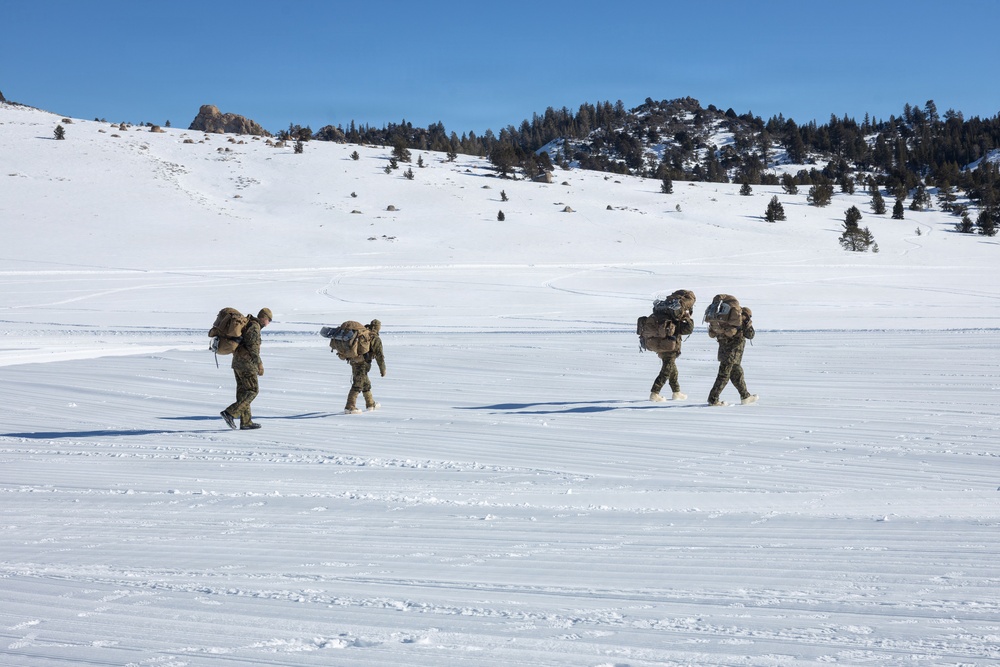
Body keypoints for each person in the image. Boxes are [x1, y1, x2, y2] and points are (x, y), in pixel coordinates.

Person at [221, 307, 272, 429]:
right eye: (269, 320)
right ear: (264, 318)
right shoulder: (254, 327)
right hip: (247, 364)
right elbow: (253, 349)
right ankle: (230, 412)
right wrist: (259, 364)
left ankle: (246, 422)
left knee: (243, 392)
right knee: (253, 391)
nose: (269, 323)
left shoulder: (249, 324)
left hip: (237, 363)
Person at [707, 305, 758, 406]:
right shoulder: (742, 322)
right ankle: (713, 399)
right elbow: (750, 335)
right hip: (732, 354)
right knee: (723, 376)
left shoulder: (726, 322)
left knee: (737, 374)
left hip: (725, 353)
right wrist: (748, 323)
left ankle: (745, 396)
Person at [649, 308, 695, 402]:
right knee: (666, 371)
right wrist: (689, 319)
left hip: (661, 347)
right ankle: (655, 393)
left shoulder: (662, 318)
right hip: (670, 349)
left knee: (673, 372)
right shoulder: (674, 321)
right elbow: (688, 330)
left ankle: (676, 392)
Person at [345, 319, 386, 414]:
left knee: (365, 383)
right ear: (378, 327)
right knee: (358, 384)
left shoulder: (361, 333)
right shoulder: (374, 337)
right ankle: (349, 406)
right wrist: (383, 369)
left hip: (354, 360)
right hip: (363, 363)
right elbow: (380, 355)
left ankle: (370, 403)